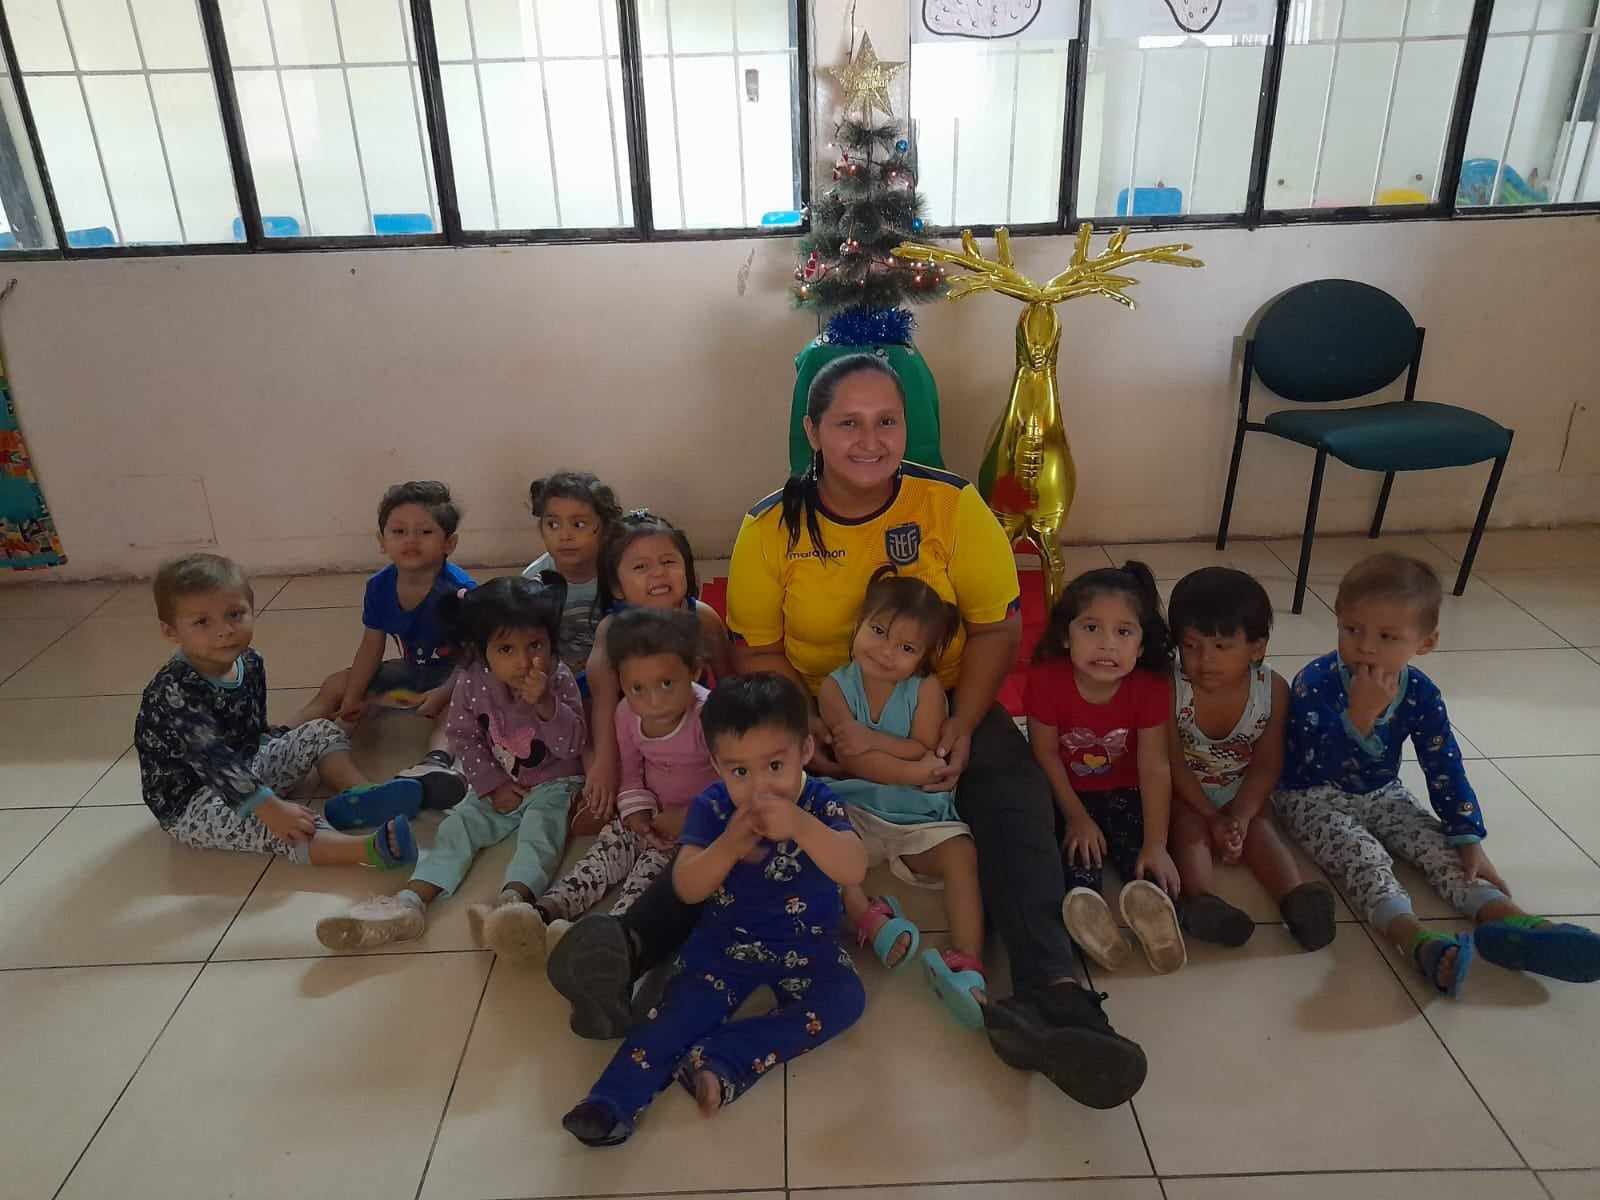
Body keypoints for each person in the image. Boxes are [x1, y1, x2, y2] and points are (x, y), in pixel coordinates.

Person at [548, 353, 1149, 1111]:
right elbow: (757, 648)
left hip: (937, 700)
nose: (870, 440)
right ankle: (629, 944)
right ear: (813, 431)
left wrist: (963, 724)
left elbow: (998, 626)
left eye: (886, 421)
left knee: (1014, 797)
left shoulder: (950, 504)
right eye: (848, 423)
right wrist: (811, 729)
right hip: (813, 704)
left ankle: (1052, 994)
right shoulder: (772, 524)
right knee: (747, 802)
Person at [561, 673, 867, 1148]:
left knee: (846, 999)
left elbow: (853, 867)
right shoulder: (713, 807)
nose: (759, 786)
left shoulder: (820, 802)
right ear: (716, 764)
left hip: (809, 948)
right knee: (674, 1016)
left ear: (805, 750)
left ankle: (724, 1058)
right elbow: (686, 886)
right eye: (739, 772)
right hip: (725, 948)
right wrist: (726, 847)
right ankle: (610, 1101)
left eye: (775, 765)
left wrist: (803, 826)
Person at [1275, 553, 1600, 995]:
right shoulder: (1314, 682)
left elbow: (1442, 763)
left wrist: (1467, 834)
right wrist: (1359, 718)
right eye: (1351, 630)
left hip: (1383, 791)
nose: (1365, 647)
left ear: (1425, 643)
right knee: (1363, 858)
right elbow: (1311, 760)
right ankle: (1415, 941)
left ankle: (1516, 925)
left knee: (1442, 851)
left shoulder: (1421, 693)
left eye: (1387, 636)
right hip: (1310, 796)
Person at [315, 576, 586, 954]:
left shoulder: (558, 679)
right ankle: (409, 902)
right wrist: (492, 783)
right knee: (457, 828)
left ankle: (512, 907)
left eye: (536, 646)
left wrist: (545, 705)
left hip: (554, 782)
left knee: (541, 835)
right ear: (481, 650)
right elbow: (463, 736)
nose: (524, 661)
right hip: (497, 779)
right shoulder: (474, 681)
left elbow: (572, 744)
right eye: (506, 648)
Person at [134, 553, 417, 871]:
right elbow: (215, 761)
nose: (225, 630)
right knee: (285, 826)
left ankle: (361, 795)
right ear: (171, 632)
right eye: (202, 622)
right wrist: (269, 808)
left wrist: (286, 744)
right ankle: (366, 850)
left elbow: (253, 728)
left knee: (320, 729)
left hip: (248, 765)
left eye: (235, 614)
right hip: (193, 802)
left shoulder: (250, 661)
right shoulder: (174, 691)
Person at [497, 608, 720, 967]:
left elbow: (734, 783)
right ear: (621, 682)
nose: (654, 701)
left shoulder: (709, 717)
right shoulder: (626, 714)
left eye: (666, 684)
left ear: (693, 671)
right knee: (603, 854)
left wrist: (689, 817)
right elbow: (630, 773)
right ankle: (545, 912)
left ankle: (608, 938)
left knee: (648, 879)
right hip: (648, 813)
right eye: (637, 688)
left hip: (696, 826)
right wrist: (636, 814)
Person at [820, 567, 987, 1028]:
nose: (886, 652)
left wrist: (873, 740)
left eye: (907, 648)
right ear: (859, 623)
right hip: (855, 808)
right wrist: (916, 770)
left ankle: (966, 962)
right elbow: (855, 762)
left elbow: (923, 743)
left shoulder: (926, 690)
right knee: (814, 834)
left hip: (918, 816)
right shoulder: (834, 688)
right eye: (878, 632)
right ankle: (865, 914)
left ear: (924, 657)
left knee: (961, 854)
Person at [1026, 562, 1187, 975]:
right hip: (1065, 793)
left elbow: (1154, 766)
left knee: (1146, 860)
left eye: (1124, 632)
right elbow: (1044, 754)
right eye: (1091, 628)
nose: (1107, 645)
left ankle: (1157, 913)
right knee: (1076, 854)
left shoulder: (1150, 686)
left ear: (1141, 644)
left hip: (1126, 792)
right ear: (1065, 635)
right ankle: (1090, 919)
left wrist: (1156, 843)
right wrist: (1077, 817)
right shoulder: (1045, 678)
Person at [1166, 567, 1336, 951]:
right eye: (1190, 646)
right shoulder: (1172, 689)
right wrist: (1210, 815)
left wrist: (1240, 816)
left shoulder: (1271, 690)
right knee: (1187, 830)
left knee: (1260, 830)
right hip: (1186, 793)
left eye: (1221, 647)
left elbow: (1267, 763)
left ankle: (1296, 898)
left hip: (1243, 791)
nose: (1205, 660)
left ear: (1257, 648)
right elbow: (1172, 763)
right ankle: (1201, 901)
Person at [301, 480, 472, 823]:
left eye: (425, 532)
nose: (410, 540)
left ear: (449, 543)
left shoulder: (461, 592)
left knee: (458, 708)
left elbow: (474, 656)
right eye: (399, 531)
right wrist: (354, 695)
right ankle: (286, 734)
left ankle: (437, 762)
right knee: (337, 684)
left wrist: (443, 693)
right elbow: (371, 645)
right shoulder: (379, 586)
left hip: (454, 678)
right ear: (382, 541)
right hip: (410, 674)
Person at [579, 510, 735, 822]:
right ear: (617, 587)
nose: (658, 574)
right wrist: (604, 764)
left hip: (691, 723)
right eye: (641, 567)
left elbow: (729, 680)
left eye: (668, 562)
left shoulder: (703, 618)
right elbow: (603, 703)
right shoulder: (612, 630)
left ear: (687, 569)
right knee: (591, 749)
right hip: (628, 727)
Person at [525, 471, 623, 675]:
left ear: (605, 527)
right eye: (553, 525)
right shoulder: (534, 581)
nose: (565, 536)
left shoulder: (621, 572)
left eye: (579, 525)